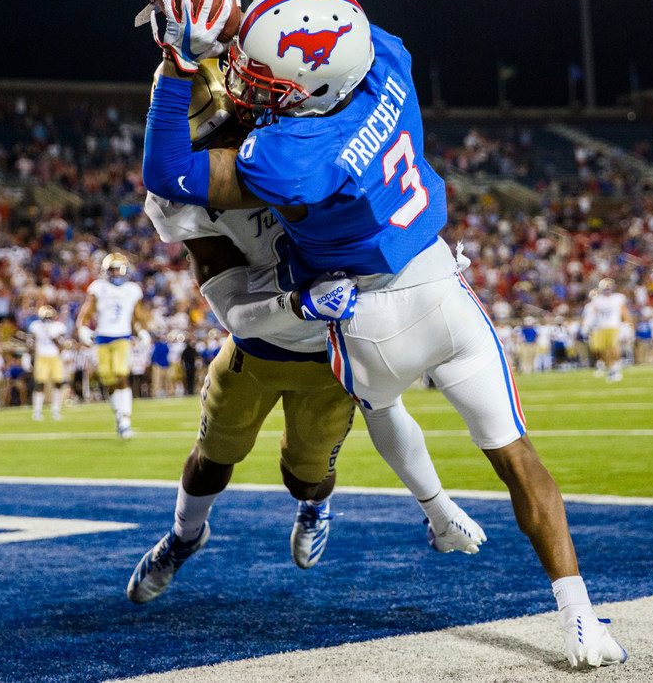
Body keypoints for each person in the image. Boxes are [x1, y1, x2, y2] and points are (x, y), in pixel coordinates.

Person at [135, 0, 624, 668]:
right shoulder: (388, 61)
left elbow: (168, 172)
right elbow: (342, 28)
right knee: (517, 458)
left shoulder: (284, 154)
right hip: (439, 281)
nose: (245, 85)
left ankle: (436, 510)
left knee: (383, 408)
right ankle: (580, 618)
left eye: (261, 82)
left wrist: (177, 66)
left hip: (360, 311)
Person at [127, 61, 482, 604]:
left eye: (234, 126)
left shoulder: (295, 129)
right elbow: (234, 309)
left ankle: (315, 507)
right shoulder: (186, 193)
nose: (230, 143)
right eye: (213, 139)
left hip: (330, 349)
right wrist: (298, 303)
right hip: (258, 342)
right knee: (213, 456)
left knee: (306, 477)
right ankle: (184, 537)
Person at [76, 253, 154, 438]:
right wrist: (83, 329)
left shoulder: (132, 289)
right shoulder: (99, 288)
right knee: (108, 379)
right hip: (102, 338)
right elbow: (86, 312)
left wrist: (142, 330)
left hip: (122, 337)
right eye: (113, 269)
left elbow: (137, 316)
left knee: (121, 374)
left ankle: (126, 420)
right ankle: (119, 416)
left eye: (120, 269)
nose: (117, 273)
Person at [28, 305, 69, 421]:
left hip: (54, 356)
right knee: (40, 383)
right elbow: (31, 341)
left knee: (58, 383)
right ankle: (37, 411)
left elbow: (61, 345)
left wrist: (51, 335)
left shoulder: (58, 326)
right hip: (42, 356)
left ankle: (55, 410)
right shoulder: (36, 326)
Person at [591, 279, 633, 382]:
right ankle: (611, 368)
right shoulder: (597, 300)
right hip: (602, 327)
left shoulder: (618, 298)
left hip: (614, 326)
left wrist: (629, 324)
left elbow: (624, 311)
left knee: (614, 347)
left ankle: (617, 367)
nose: (607, 291)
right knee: (605, 350)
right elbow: (593, 315)